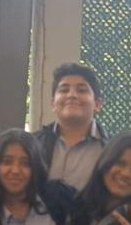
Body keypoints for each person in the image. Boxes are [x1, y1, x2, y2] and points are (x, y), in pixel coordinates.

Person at [32, 62, 108, 193]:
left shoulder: (112, 149)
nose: (72, 95)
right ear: (53, 104)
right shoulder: (32, 144)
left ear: (97, 104)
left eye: (81, 90)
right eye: (64, 90)